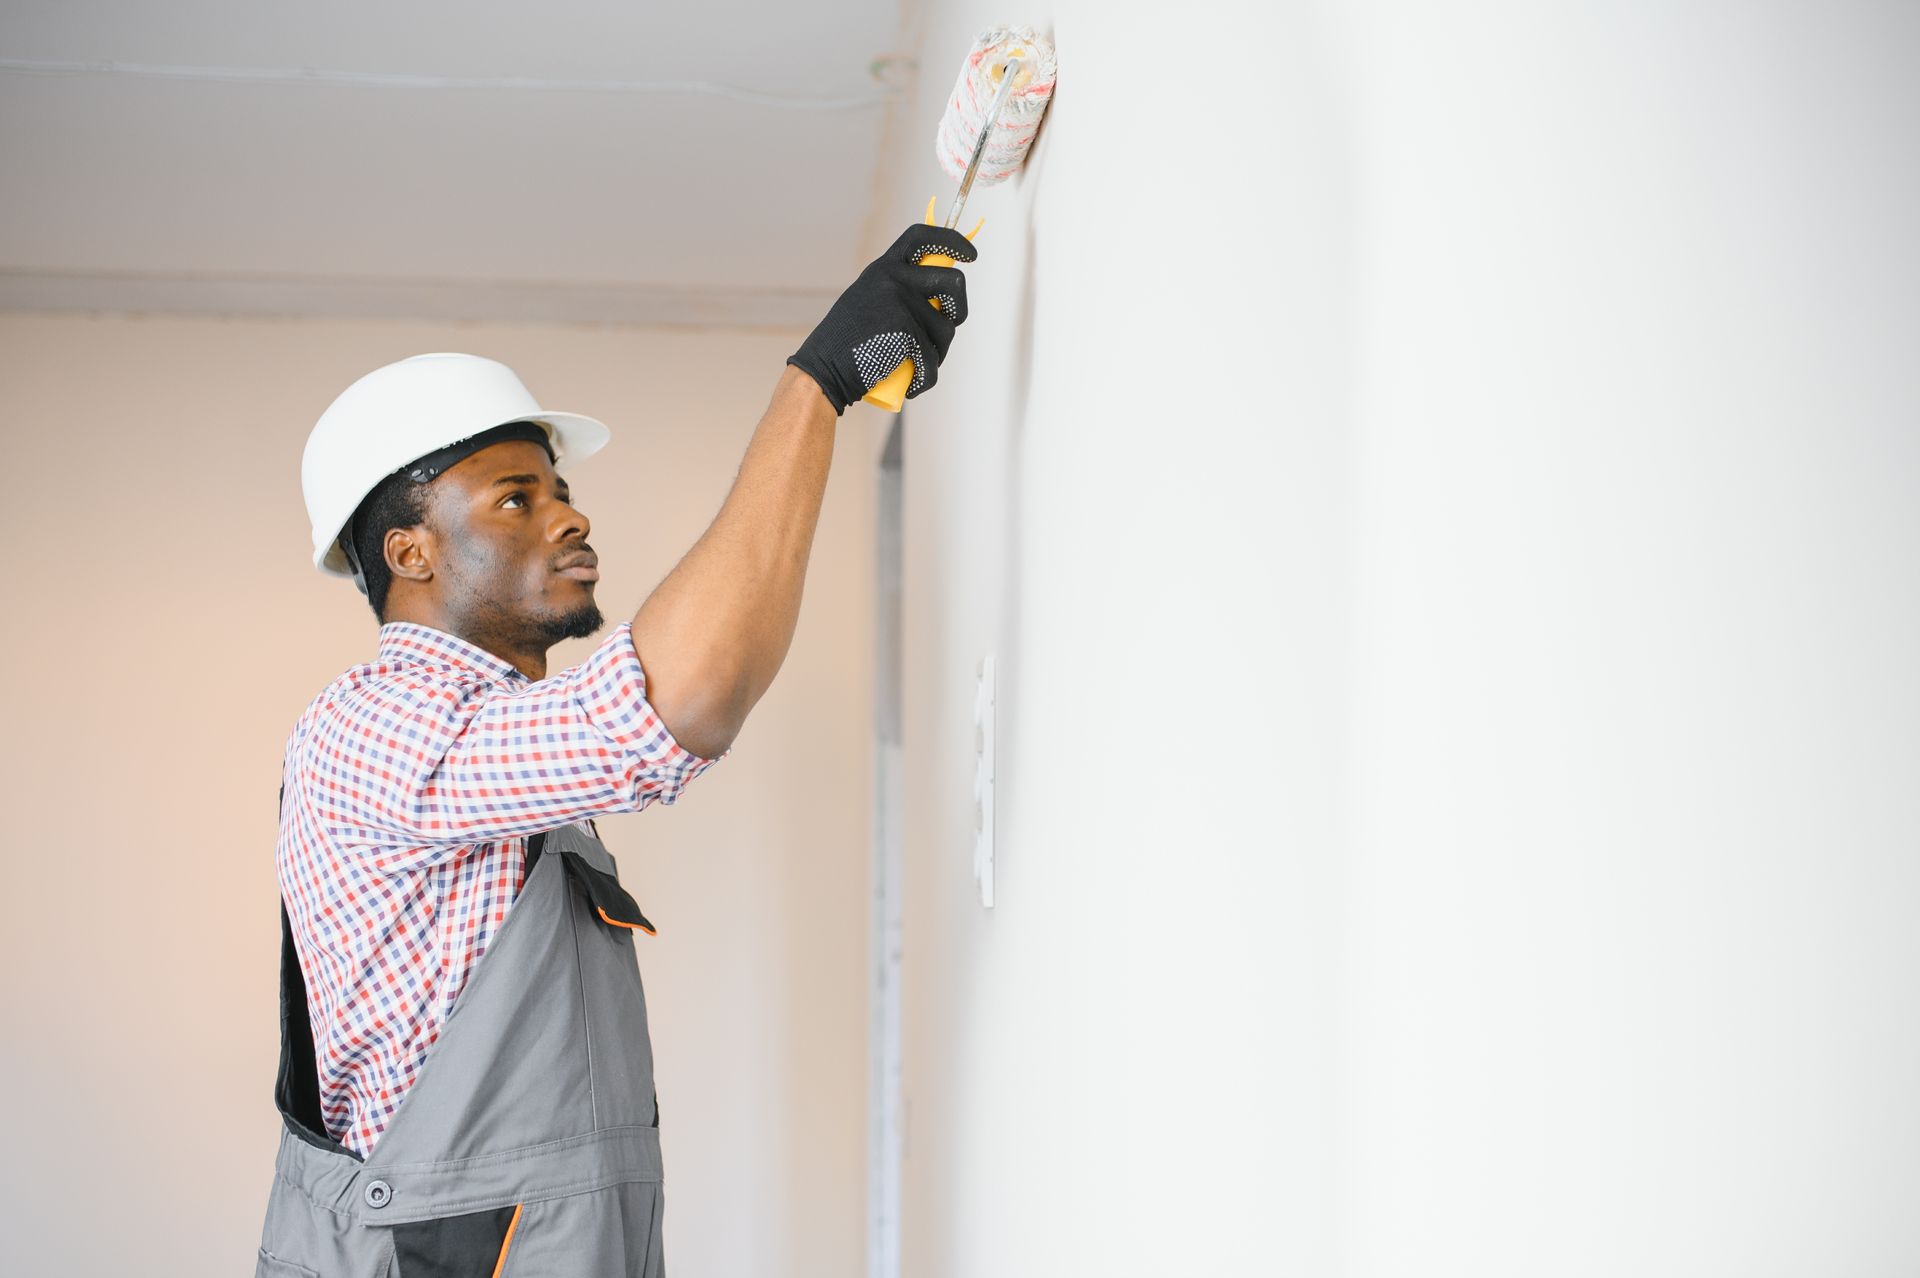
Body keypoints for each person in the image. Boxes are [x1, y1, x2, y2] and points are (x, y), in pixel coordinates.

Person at [254, 224, 977, 1278]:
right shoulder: (375, 721)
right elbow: (675, 699)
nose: (571, 513)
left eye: (558, 488)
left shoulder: (498, 752)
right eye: (518, 496)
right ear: (408, 549)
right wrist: (815, 388)